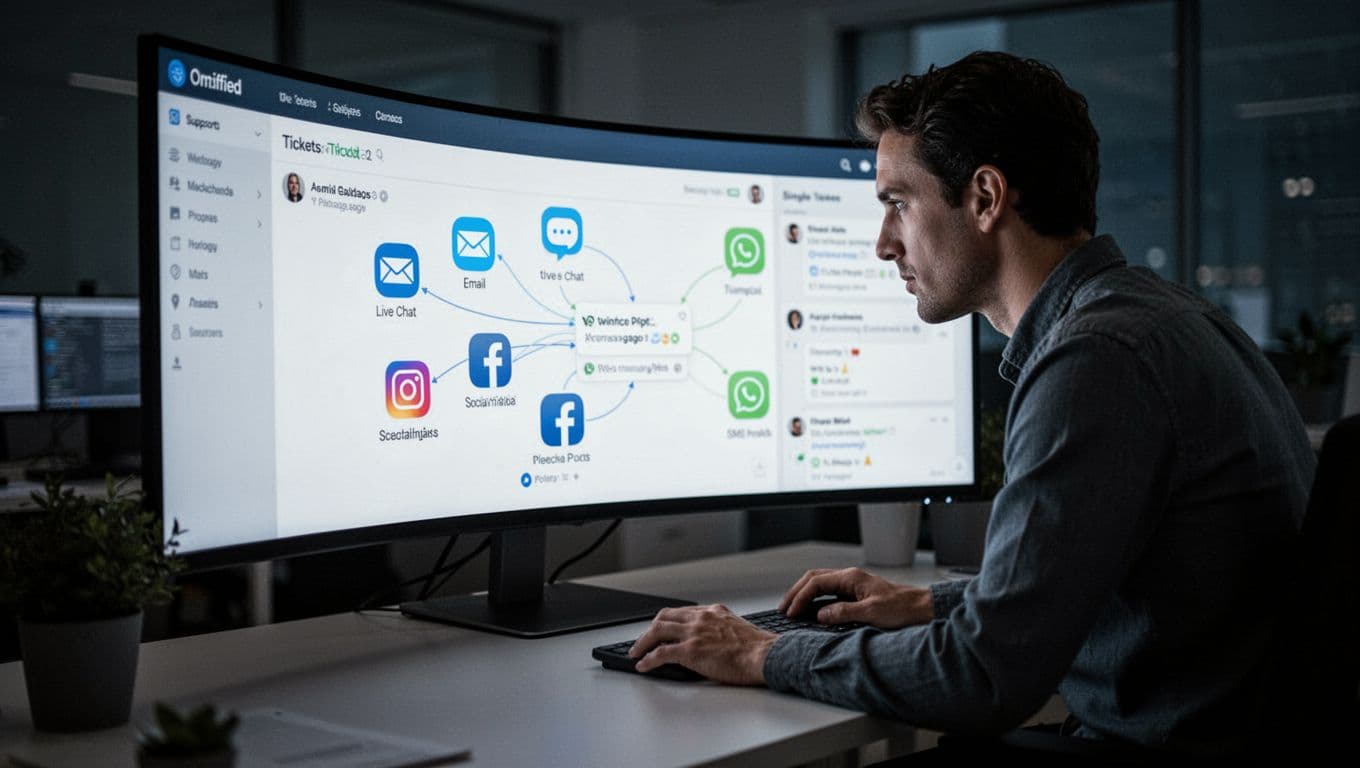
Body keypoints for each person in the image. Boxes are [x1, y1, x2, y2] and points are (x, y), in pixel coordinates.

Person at [629, 51, 1315, 759]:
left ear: (986, 198)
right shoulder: (1167, 318)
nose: (882, 244)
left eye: (898, 202)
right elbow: (1102, 576)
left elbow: (984, 678)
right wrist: (929, 603)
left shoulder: (1098, 359)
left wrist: (757, 655)